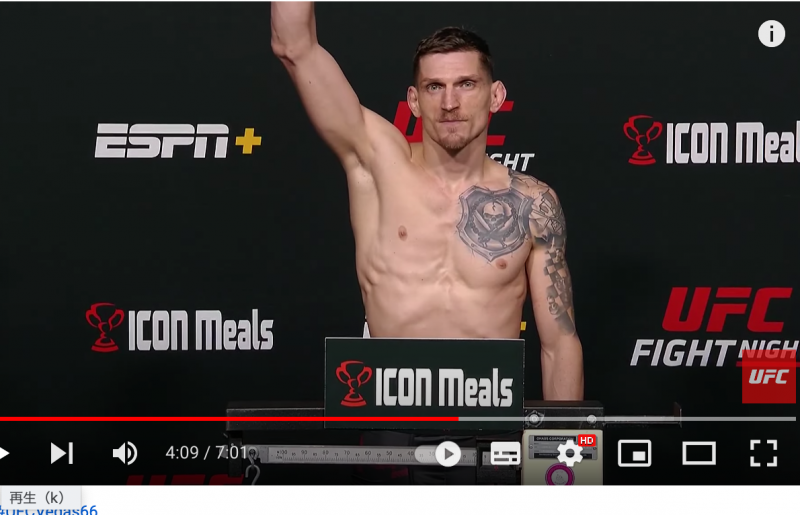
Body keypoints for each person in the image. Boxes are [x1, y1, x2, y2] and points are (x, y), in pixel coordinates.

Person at [271, 2, 585, 484]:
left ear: (496, 95)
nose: (450, 102)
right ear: (414, 101)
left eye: (466, 84)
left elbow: (558, 342)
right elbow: (294, 46)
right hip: (390, 422)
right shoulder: (376, 164)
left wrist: (564, 468)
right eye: (434, 87)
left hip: (492, 424)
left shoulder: (532, 202)